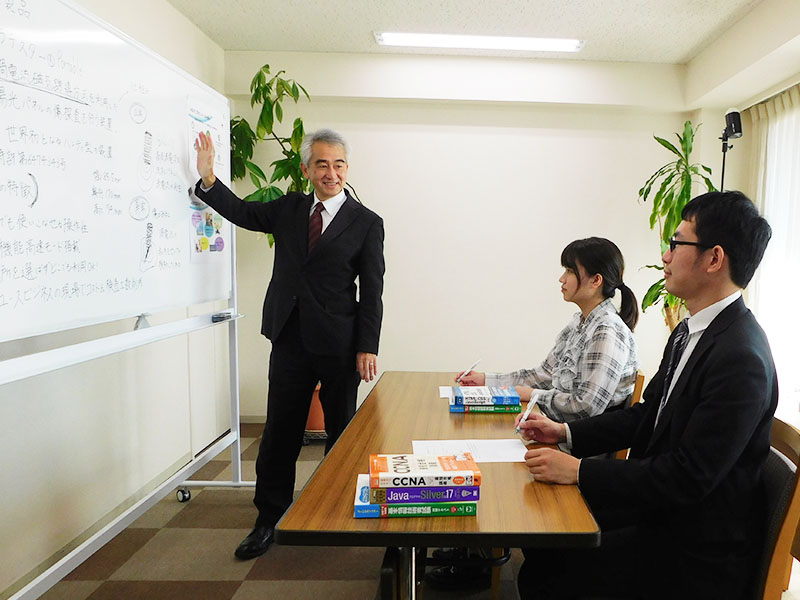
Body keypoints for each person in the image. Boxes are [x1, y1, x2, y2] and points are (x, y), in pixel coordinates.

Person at [517, 191, 776, 599]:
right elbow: (645, 416)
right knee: (543, 531)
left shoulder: (741, 356)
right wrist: (564, 433)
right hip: (662, 512)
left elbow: (689, 476)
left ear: (714, 259)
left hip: (694, 550)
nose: (666, 256)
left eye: (676, 243)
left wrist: (579, 471)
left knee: (549, 566)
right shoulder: (689, 331)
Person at [194, 128, 385, 560]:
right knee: (280, 433)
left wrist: (367, 346)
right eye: (321, 164)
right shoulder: (289, 208)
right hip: (289, 337)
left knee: (341, 433)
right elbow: (243, 212)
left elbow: (372, 291)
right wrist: (208, 180)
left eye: (338, 164)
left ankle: (337, 510)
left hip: (339, 344)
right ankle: (269, 518)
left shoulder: (367, 222)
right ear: (306, 169)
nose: (331, 173)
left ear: (347, 169)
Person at [428, 237, 640, 590]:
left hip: (578, 447)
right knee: (476, 441)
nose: (561, 279)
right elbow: (541, 373)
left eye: (570, 271)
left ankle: (477, 557)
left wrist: (532, 396)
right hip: (554, 431)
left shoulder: (608, 331)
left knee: (493, 464)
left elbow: (586, 406)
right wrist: (488, 380)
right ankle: (475, 551)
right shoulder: (580, 323)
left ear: (595, 280)